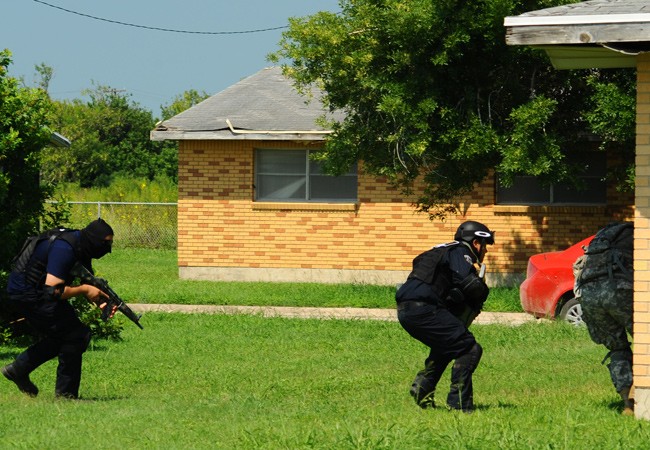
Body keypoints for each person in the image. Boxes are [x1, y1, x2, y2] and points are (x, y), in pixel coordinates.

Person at [2, 219, 116, 399]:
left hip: (36, 291)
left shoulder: (82, 246)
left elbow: (87, 280)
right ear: (94, 239)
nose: (108, 248)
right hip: (27, 292)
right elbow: (54, 290)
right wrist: (85, 290)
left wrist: (100, 300)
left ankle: (19, 370)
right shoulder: (65, 249)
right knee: (76, 335)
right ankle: (65, 395)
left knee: (65, 336)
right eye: (105, 242)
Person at [396, 220, 494, 413]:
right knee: (469, 349)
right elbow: (470, 285)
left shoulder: (438, 251)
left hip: (406, 310)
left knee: (448, 345)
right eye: (484, 245)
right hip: (424, 308)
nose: (485, 250)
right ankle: (459, 405)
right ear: (475, 243)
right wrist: (481, 290)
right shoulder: (460, 251)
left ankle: (423, 388)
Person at [573, 221, 634, 415]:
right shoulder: (638, 235)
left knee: (618, 348)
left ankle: (628, 403)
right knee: (646, 342)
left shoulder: (607, 235)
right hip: (619, 291)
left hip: (589, 296)